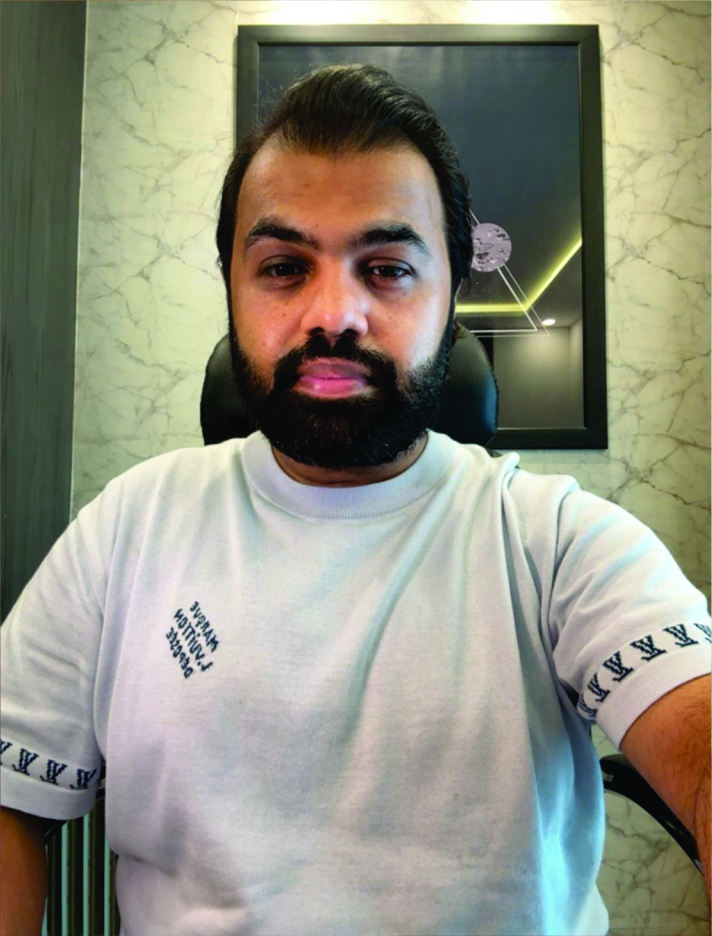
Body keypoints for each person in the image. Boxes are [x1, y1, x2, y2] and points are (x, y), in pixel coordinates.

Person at [1, 64, 710, 936]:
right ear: (231, 287)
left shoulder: (557, 540)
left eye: (385, 269)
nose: (334, 314)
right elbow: (8, 801)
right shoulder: (128, 529)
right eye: (283, 267)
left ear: (452, 294)